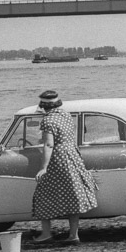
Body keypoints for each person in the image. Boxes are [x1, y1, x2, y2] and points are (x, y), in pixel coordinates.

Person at [32, 90, 98, 244]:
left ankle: (46, 233)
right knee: (73, 194)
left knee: (42, 193)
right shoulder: (66, 116)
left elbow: (49, 144)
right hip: (73, 155)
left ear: (43, 106)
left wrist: (44, 167)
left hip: (59, 157)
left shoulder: (48, 121)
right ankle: (73, 235)